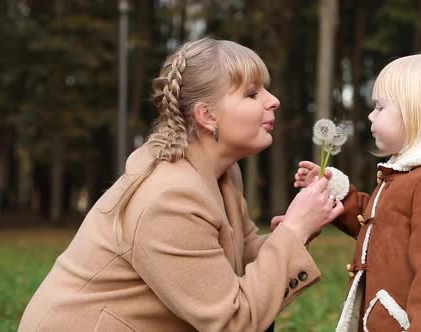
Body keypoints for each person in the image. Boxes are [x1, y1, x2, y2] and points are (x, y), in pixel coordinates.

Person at [18, 37, 344, 332]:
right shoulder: (169, 199)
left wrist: (297, 229)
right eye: (252, 93)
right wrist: (293, 233)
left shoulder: (223, 173)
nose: (273, 101)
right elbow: (234, 322)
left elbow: (237, 256)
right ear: (207, 116)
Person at [294, 50, 421, 331]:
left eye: (380, 107)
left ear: (420, 113)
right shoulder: (407, 176)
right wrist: (338, 193)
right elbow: (383, 228)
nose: (369, 113)